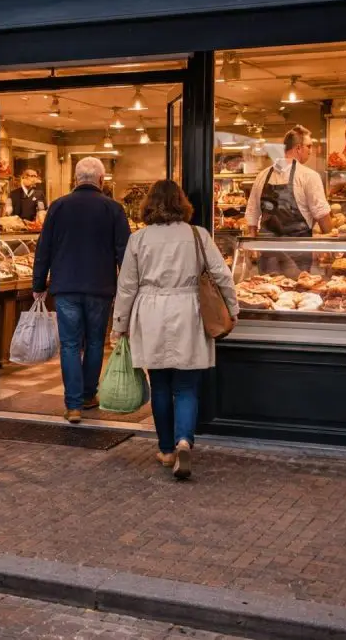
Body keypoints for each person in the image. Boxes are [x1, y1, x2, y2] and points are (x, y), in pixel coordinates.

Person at [111, 180, 239, 479]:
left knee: (160, 385)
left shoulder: (139, 239)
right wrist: (232, 309)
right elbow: (221, 275)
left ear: (149, 204)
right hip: (188, 311)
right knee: (186, 385)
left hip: (151, 312)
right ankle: (185, 440)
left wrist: (119, 324)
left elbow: (127, 286)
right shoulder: (198, 235)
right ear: (181, 202)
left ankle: (167, 449)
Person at [33, 157, 131, 424]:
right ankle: (89, 395)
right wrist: (127, 288)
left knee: (70, 344)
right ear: (101, 180)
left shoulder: (58, 207)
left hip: (65, 286)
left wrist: (38, 284)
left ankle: (73, 405)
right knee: (96, 342)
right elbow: (125, 253)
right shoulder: (113, 209)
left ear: (75, 179)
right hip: (101, 287)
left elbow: (44, 248)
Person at [244, 125, 332, 275]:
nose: (311, 151)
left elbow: (252, 216)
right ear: (298, 148)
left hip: (268, 251)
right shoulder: (308, 176)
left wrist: (253, 245)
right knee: (294, 295)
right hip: (297, 251)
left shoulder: (262, 176)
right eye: (309, 146)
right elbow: (322, 215)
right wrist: (332, 244)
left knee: (268, 293)